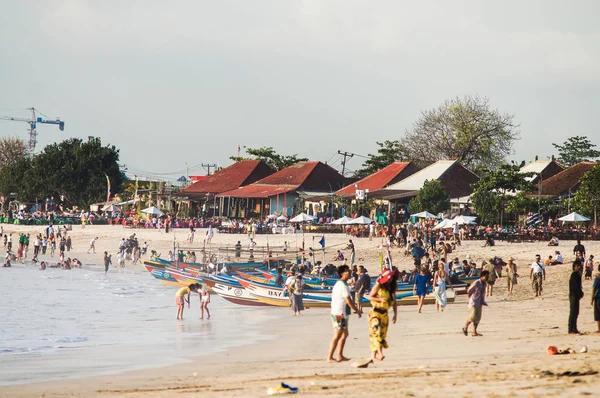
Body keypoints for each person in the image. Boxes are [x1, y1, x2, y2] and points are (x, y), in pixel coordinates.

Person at [327, 265, 361, 363]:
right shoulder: (342, 285)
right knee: (337, 335)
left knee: (345, 334)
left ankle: (339, 355)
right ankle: (330, 357)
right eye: (347, 271)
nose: (350, 272)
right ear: (343, 273)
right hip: (339, 313)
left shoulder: (342, 284)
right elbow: (348, 300)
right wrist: (357, 310)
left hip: (341, 312)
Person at [368, 268, 398, 361]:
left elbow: (394, 303)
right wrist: (380, 299)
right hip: (375, 313)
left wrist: (395, 314)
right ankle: (380, 354)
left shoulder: (391, 290)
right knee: (377, 332)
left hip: (385, 314)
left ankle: (374, 355)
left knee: (381, 334)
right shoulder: (378, 286)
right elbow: (370, 296)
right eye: (389, 278)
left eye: (391, 278)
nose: (390, 280)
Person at [462, 270, 490, 337]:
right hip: (473, 301)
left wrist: (483, 301)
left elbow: (483, 293)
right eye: (486, 277)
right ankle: (465, 327)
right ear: (482, 276)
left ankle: (474, 332)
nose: (487, 278)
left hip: (480, 302)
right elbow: (469, 290)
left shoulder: (484, 284)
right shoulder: (477, 282)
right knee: (472, 316)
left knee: (477, 318)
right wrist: (469, 299)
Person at [568, 260, 584, 334]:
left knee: (575, 312)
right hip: (573, 295)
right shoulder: (574, 275)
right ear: (574, 267)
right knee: (573, 312)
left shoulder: (577, 274)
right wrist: (580, 293)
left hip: (575, 296)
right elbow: (576, 286)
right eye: (578, 266)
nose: (579, 267)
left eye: (579, 266)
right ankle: (571, 328)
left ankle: (573, 327)